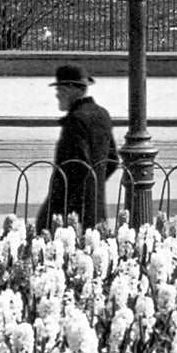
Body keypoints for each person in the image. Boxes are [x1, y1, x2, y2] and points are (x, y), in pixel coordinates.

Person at [38, 62, 119, 232]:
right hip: (96, 209)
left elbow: (74, 169)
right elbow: (112, 161)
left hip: (72, 214)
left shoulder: (75, 120)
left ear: (69, 90)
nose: (57, 95)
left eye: (59, 90)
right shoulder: (102, 114)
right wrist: (93, 187)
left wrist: (54, 210)